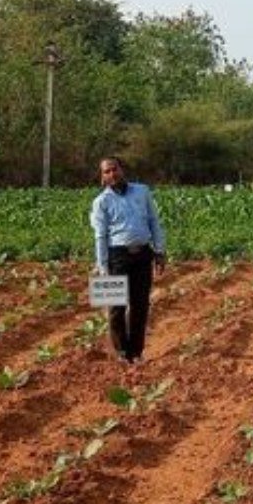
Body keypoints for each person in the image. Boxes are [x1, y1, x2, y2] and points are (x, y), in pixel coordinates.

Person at [90, 156, 167, 364]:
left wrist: (160, 251)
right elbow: (100, 235)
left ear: (122, 169)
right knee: (116, 308)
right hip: (117, 256)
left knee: (140, 305)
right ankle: (122, 352)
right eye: (107, 171)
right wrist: (102, 266)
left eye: (114, 169)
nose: (112, 174)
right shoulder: (101, 202)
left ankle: (136, 352)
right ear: (102, 177)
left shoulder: (142, 191)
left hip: (143, 254)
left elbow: (154, 221)